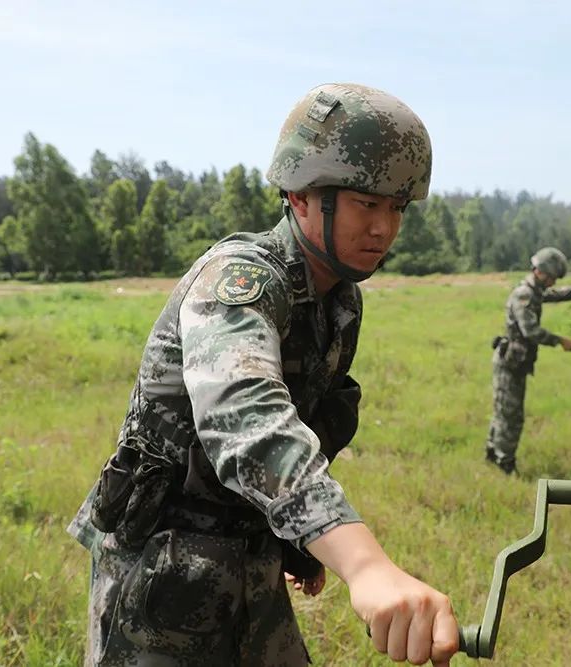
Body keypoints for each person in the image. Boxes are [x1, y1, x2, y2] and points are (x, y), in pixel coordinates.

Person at [67, 82, 459, 667]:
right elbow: (247, 420)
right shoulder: (241, 280)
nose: (384, 228)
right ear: (300, 196)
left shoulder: (338, 301)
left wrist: (301, 540)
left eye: (397, 208)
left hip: (248, 556)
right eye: (366, 204)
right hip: (161, 573)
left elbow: (315, 417)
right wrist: (364, 564)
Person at [484, 247, 571, 475]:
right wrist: (561, 341)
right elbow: (531, 331)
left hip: (515, 361)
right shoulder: (524, 294)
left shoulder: (535, 290)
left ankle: (493, 453)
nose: (553, 283)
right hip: (510, 364)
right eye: (552, 277)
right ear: (540, 272)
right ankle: (505, 462)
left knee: (503, 410)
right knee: (511, 416)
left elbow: (563, 294)